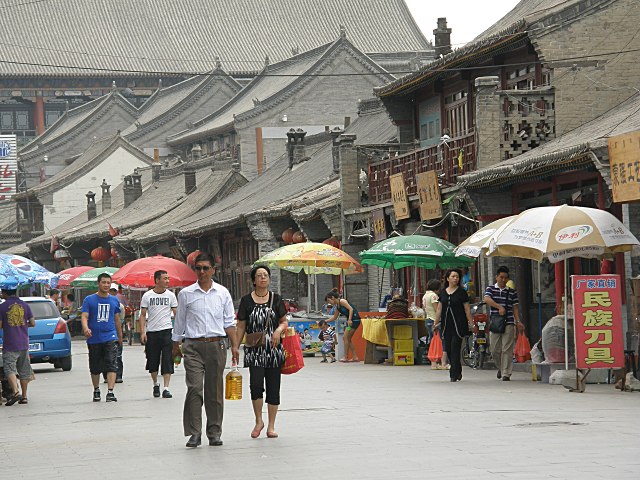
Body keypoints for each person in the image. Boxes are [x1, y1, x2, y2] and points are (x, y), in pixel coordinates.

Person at [172, 253, 239, 448]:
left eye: (205, 268)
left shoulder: (222, 293)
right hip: (192, 346)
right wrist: (175, 347)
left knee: (214, 391)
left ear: (213, 270)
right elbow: (180, 322)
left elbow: (229, 322)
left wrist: (235, 346)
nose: (201, 272)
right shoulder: (186, 294)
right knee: (194, 388)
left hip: (216, 345)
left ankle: (214, 431)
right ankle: (194, 433)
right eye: (198, 268)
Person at [236, 265, 288, 439]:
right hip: (254, 350)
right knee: (256, 385)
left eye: (265, 275)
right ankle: (259, 420)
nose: (263, 278)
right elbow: (241, 325)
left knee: (274, 388)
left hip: (273, 350)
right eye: (259, 276)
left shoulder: (276, 299)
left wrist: (279, 330)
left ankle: (271, 425)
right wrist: (235, 346)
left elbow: (284, 321)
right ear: (253, 280)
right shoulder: (246, 301)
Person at [81, 273, 123, 402]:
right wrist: (86, 328)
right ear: (98, 283)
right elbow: (84, 316)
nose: (106, 285)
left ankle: (110, 391)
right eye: (103, 282)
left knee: (111, 363)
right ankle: (96, 389)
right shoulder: (89, 299)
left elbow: (116, 320)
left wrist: (120, 336)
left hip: (110, 336)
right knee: (95, 366)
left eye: (108, 283)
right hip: (94, 338)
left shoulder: (114, 300)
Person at [139, 270, 178, 399]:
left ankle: (166, 388)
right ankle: (156, 384)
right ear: (156, 280)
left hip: (167, 331)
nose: (167, 281)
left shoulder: (171, 296)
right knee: (152, 360)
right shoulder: (147, 296)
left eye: (168, 278)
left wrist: (179, 332)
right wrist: (143, 332)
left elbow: (176, 313)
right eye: (164, 278)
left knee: (167, 359)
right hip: (152, 332)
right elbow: (143, 315)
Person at [484, 266, 523, 381]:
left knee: (507, 348)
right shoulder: (490, 289)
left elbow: (515, 307)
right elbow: (486, 299)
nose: (503, 280)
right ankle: (500, 367)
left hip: (509, 321)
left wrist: (518, 321)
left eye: (505, 278)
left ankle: (506, 373)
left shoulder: (511, 292)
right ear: (496, 277)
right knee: (494, 349)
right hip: (495, 322)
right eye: (501, 277)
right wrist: (499, 307)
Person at [434, 269, 473, 382]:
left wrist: (471, 323)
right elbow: (439, 309)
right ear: (448, 279)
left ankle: (453, 374)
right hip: (447, 324)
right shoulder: (443, 292)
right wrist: (435, 322)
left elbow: (467, 310)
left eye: (457, 277)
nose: (455, 278)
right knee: (449, 350)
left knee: (455, 347)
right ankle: (458, 370)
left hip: (459, 324)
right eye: (453, 276)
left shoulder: (462, 292)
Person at [0, 289, 35, 405]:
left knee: (9, 368)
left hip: (10, 343)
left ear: (5, 293)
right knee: (24, 369)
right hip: (24, 342)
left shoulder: (3, 306)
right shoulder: (25, 305)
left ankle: (16, 392)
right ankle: (24, 397)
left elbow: (0, 325)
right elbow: (33, 323)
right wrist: (22, 324)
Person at [325, 289, 361, 362]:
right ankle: (354, 357)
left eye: (329, 301)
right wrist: (325, 321)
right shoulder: (337, 306)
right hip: (350, 323)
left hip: (354, 321)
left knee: (345, 337)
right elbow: (334, 317)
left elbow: (351, 309)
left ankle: (346, 356)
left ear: (333, 297)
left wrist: (350, 319)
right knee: (347, 338)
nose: (329, 303)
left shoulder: (342, 301)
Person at [108, 283, 125, 383]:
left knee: (118, 356)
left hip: (115, 333)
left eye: (114, 291)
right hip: (105, 334)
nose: (112, 293)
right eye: (111, 290)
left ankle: (118, 375)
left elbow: (120, 320)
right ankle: (107, 376)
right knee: (106, 357)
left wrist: (120, 336)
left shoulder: (120, 306)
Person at [422, 279, 441, 369]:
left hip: (428, 319)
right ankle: (435, 361)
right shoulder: (433, 296)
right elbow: (437, 309)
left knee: (432, 341)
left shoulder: (425, 295)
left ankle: (433, 362)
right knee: (437, 341)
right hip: (434, 320)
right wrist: (438, 321)